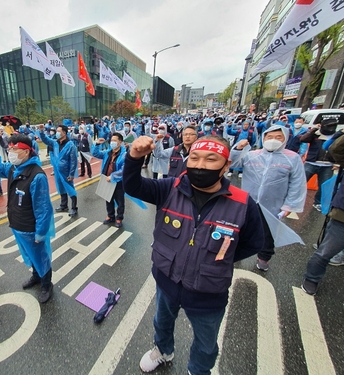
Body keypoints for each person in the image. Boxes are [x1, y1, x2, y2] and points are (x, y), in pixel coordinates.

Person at [123, 135, 264, 374]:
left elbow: (252, 242)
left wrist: (215, 260)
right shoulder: (170, 187)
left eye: (211, 159)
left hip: (208, 291)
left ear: (226, 165)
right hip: (166, 280)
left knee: (206, 342)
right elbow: (133, 186)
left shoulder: (243, 203)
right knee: (162, 322)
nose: (200, 165)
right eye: (195, 158)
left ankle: (198, 370)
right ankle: (163, 350)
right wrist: (134, 158)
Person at [0, 134, 55, 302]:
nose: (11, 152)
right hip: (17, 223)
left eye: (15, 149)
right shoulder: (12, 169)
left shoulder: (36, 175)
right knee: (29, 256)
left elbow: (43, 208)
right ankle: (36, 275)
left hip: (31, 226)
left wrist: (40, 233)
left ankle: (46, 284)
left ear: (26, 151)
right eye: (9, 149)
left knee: (40, 257)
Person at [231, 125, 306, 271]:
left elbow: (297, 183)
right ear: (263, 138)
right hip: (248, 200)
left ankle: (264, 257)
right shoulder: (252, 155)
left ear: (285, 139)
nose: (273, 140)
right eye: (269, 137)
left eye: (278, 137)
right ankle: (234, 251)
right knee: (238, 227)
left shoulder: (292, 158)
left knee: (268, 232)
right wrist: (238, 148)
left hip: (273, 204)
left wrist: (289, 205)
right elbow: (233, 162)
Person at [39, 124, 78, 216]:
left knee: (70, 189)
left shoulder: (70, 145)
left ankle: (74, 207)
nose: (57, 133)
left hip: (66, 171)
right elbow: (45, 140)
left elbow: (73, 161)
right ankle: (63, 205)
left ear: (64, 133)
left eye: (59, 131)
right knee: (60, 188)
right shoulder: (55, 143)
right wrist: (41, 131)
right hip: (57, 170)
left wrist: (71, 174)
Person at [299, 119, 338, 211]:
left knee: (324, 186)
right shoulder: (316, 134)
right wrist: (313, 130)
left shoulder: (337, 137)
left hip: (328, 165)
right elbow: (303, 139)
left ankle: (318, 203)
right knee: (300, 182)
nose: (330, 128)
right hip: (311, 163)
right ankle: (294, 200)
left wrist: (338, 163)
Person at [92, 133, 125, 228]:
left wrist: (113, 176)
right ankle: (110, 216)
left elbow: (124, 170)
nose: (112, 142)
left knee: (120, 201)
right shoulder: (108, 152)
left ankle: (119, 218)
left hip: (118, 181)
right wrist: (97, 144)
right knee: (108, 199)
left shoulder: (124, 155)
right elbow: (96, 154)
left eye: (115, 140)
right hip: (106, 180)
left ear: (120, 142)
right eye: (111, 140)